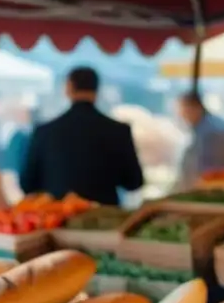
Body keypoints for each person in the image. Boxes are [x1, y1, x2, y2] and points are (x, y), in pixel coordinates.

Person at [20, 67, 144, 205]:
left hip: (57, 218)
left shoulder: (44, 132)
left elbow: (27, 184)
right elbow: (134, 183)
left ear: (68, 88)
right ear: (97, 90)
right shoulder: (119, 131)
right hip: (105, 219)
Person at [176, 92, 224, 189]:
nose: (181, 115)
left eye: (183, 109)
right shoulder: (206, 126)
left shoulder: (211, 131)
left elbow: (204, 172)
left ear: (195, 107)